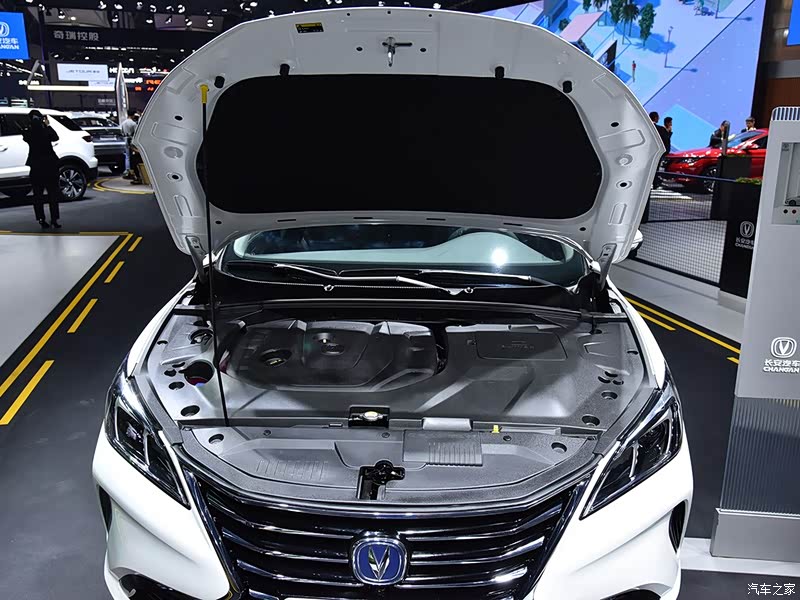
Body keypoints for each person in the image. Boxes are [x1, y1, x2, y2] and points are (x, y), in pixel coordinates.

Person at [23, 110, 61, 229]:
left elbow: (26, 137)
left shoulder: (29, 132)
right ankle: (54, 219)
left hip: (36, 167)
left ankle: (41, 219)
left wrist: (29, 126)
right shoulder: (45, 130)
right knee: (53, 194)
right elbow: (55, 137)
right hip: (50, 165)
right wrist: (47, 125)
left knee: (38, 195)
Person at [649, 112, 670, 188]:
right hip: (657, 152)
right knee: (655, 168)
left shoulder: (645, 127)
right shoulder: (660, 129)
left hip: (647, 152)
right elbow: (666, 140)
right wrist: (669, 132)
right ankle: (655, 183)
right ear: (655, 118)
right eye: (658, 117)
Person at [121, 109, 138, 179]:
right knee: (132, 157)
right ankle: (132, 171)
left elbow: (122, 132)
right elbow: (136, 133)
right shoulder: (133, 123)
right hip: (131, 140)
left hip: (125, 139)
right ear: (133, 115)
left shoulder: (123, 123)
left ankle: (127, 170)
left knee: (127, 156)